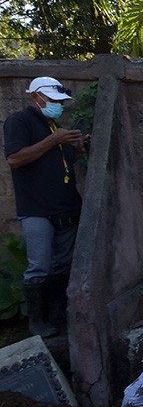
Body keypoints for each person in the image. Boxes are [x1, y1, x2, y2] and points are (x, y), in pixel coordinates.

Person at [3, 77, 86, 338]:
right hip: (37, 208)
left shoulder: (53, 127)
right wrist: (54, 140)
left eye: (60, 102)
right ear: (35, 97)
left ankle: (57, 315)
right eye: (52, 101)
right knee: (39, 266)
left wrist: (78, 148)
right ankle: (36, 322)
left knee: (63, 266)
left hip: (65, 207)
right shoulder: (20, 121)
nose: (57, 106)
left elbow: (60, 163)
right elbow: (15, 159)